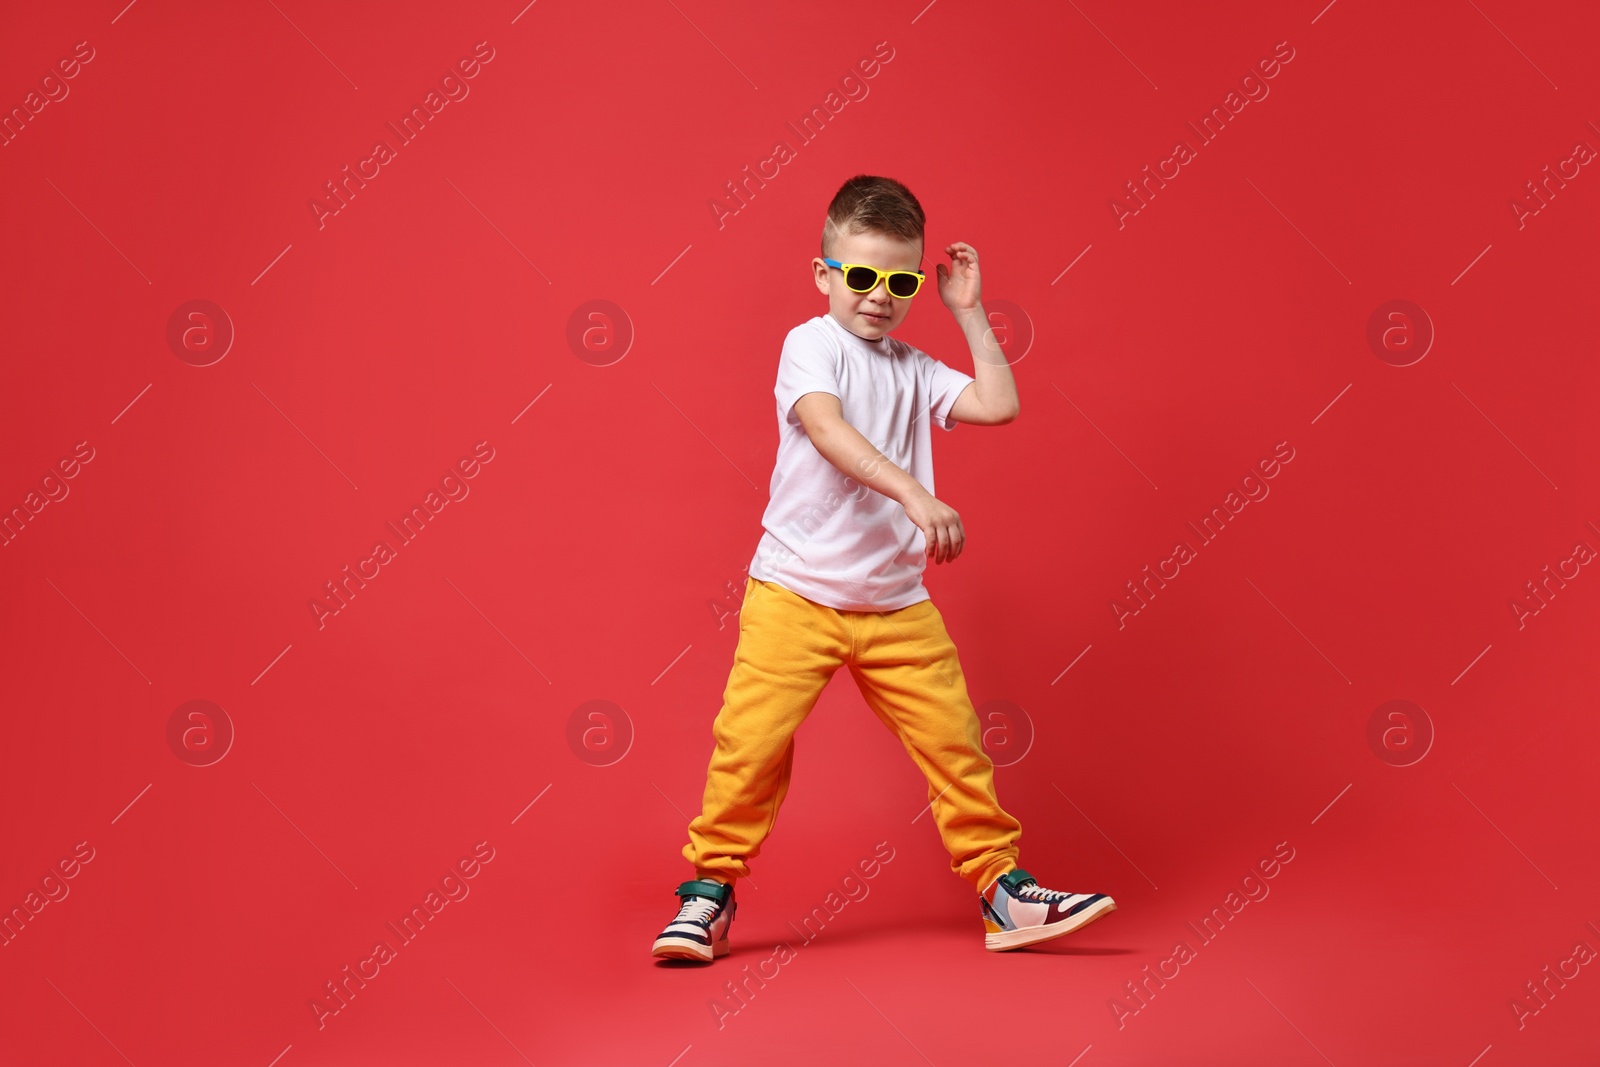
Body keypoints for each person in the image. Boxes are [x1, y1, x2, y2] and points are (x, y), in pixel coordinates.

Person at [651, 174, 1116, 962]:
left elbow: (999, 404)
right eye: (861, 275)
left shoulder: (913, 365)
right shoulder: (811, 345)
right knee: (751, 746)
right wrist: (913, 492)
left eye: (900, 281)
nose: (879, 296)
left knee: (955, 744)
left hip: (897, 606)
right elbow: (826, 428)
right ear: (824, 273)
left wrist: (968, 311)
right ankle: (709, 894)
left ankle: (1003, 891)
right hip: (794, 594)